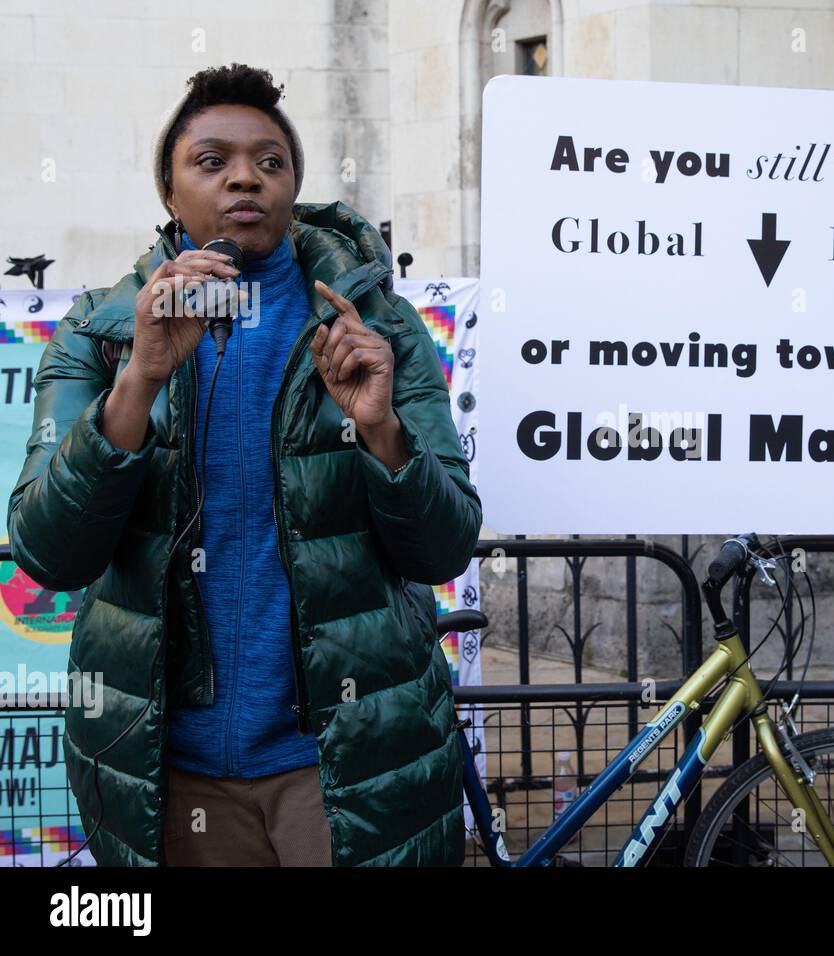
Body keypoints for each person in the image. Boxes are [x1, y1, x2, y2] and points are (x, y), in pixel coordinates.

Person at [7, 63, 481, 866]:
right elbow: (49, 553)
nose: (244, 179)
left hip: (345, 764)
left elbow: (441, 549)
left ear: (294, 183)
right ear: (169, 192)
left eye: (271, 162)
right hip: (166, 769)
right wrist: (142, 377)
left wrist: (382, 430)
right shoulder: (100, 332)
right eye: (212, 161)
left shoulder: (378, 326)